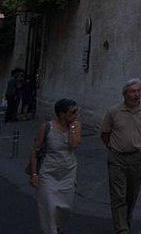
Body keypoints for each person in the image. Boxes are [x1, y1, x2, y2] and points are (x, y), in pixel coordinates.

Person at [101, 78, 141, 234]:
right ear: (125, 94)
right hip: (117, 157)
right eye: (132, 91)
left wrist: (137, 144)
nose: (136, 94)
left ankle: (126, 219)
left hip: (137, 158)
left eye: (138, 91)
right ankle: (122, 229)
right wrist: (114, 147)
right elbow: (105, 134)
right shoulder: (113, 112)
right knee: (118, 195)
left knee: (132, 194)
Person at [30, 98, 82, 234]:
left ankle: (58, 228)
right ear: (61, 114)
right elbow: (35, 151)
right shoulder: (47, 127)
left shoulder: (76, 126)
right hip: (48, 172)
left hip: (68, 172)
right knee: (48, 207)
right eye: (73, 112)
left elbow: (74, 145)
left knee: (66, 208)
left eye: (77, 111)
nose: (76, 114)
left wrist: (71, 127)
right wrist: (34, 173)